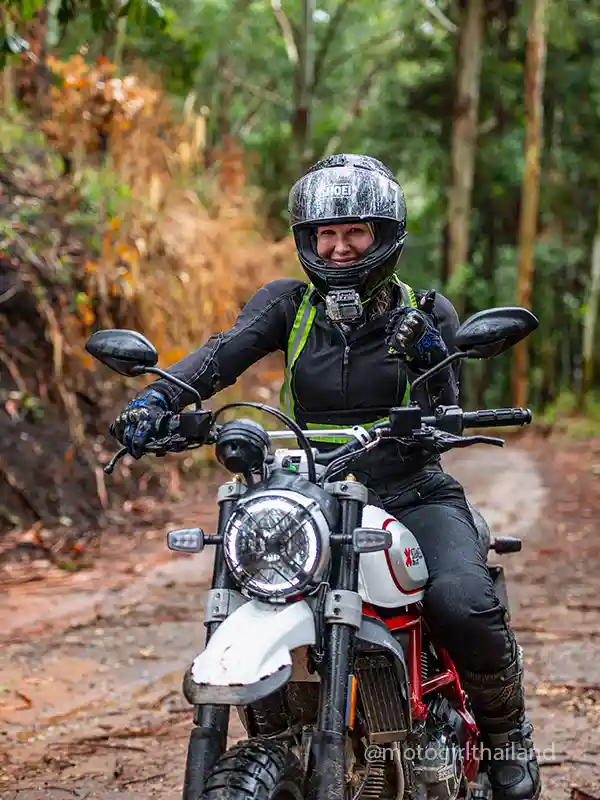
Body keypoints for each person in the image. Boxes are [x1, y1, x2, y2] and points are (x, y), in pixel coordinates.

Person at [112, 154, 540, 800]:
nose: (338, 249)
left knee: (463, 602)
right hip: (312, 496)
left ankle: (511, 745)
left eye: (355, 233)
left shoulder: (424, 312)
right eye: (325, 235)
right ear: (307, 241)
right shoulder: (289, 307)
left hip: (412, 494)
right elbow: (219, 356)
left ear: (385, 236)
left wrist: (430, 357)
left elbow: (449, 412)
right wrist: (160, 401)